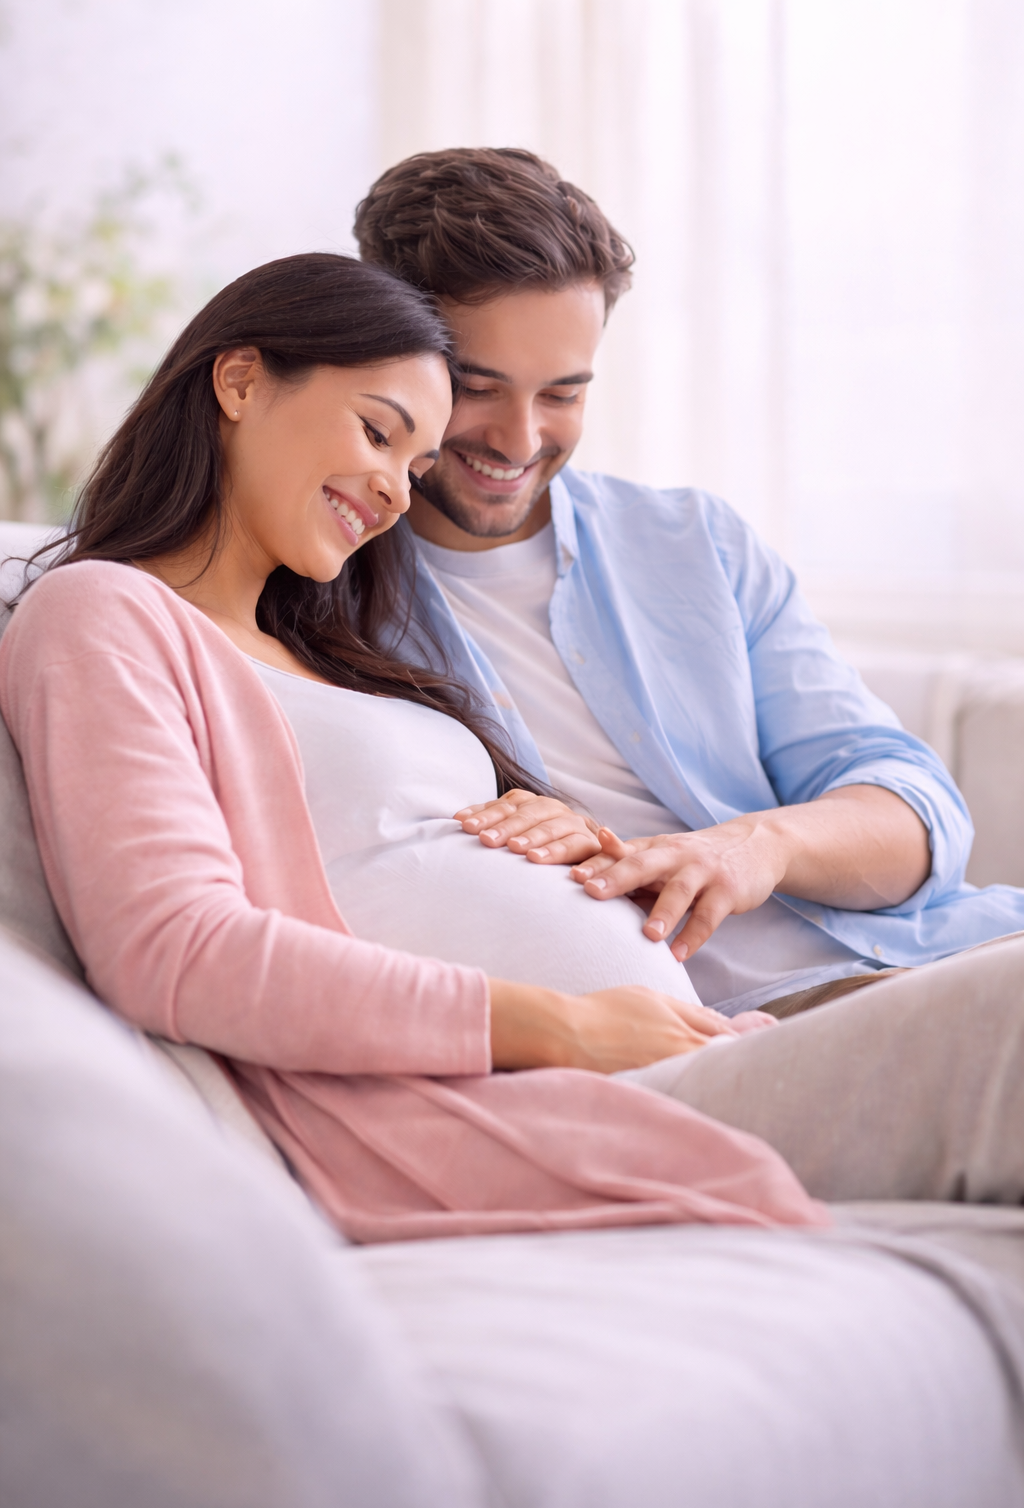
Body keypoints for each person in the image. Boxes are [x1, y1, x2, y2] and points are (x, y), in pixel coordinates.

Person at [5, 252, 1024, 1278]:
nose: (396, 493)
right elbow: (173, 949)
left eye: (412, 466)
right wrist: (564, 1024)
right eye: (377, 432)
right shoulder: (104, 612)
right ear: (237, 381)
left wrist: (568, 833)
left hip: (692, 1041)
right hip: (584, 1090)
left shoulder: (327, 637)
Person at [353, 147, 1024, 1018]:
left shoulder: (691, 542)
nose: (521, 441)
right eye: (479, 388)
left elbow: (917, 813)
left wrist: (756, 846)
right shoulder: (320, 596)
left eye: (564, 393)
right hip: (755, 1028)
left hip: (950, 954)